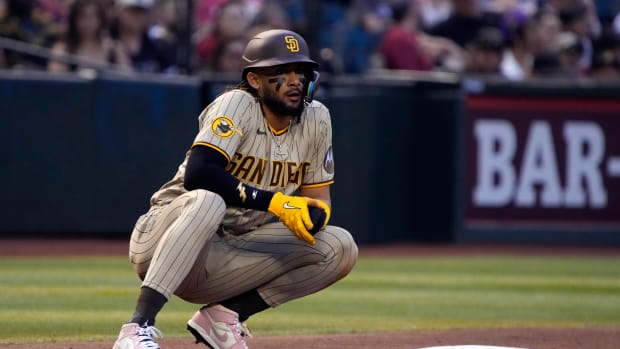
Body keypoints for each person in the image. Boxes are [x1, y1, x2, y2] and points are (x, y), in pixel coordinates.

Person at [111, 28, 358, 349]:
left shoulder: (317, 118)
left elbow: (318, 202)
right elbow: (199, 174)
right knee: (207, 201)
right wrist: (277, 204)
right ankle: (137, 327)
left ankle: (225, 316)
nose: (295, 79)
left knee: (340, 246)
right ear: (255, 80)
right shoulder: (236, 104)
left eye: (301, 70)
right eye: (280, 71)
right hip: (162, 238)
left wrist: (312, 215)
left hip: (229, 251)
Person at [47, 0, 132, 73]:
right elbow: (56, 83)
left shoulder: (114, 49)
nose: (87, 22)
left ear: (100, 19)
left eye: (92, 17)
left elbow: (128, 82)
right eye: (82, 16)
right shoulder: (63, 49)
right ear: (74, 20)